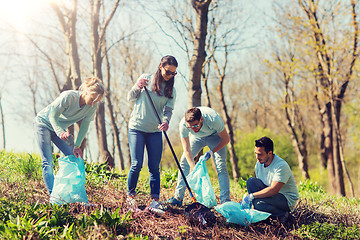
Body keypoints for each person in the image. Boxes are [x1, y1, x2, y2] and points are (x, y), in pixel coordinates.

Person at [35, 77, 105, 195]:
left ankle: (70, 194)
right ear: (86, 91)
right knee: (48, 161)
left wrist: (77, 145)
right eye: (93, 99)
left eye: (97, 101)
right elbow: (52, 115)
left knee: (73, 157)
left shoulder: (92, 107)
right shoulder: (69, 97)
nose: (94, 103)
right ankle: (54, 196)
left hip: (58, 129)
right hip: (43, 124)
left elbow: (84, 126)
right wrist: (60, 132)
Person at [126, 55, 178, 209]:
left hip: (155, 131)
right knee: (136, 163)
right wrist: (137, 86)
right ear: (160, 66)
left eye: (173, 73)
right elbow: (130, 97)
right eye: (168, 71)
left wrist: (166, 122)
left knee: (154, 167)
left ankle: (155, 199)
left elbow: (168, 111)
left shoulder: (171, 90)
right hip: (137, 128)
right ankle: (130, 196)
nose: (170, 76)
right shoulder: (146, 79)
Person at [168, 106, 231, 206]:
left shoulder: (213, 119)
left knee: (221, 165)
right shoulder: (183, 125)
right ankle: (178, 197)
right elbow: (187, 149)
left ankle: (225, 201)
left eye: (196, 126)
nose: (193, 129)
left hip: (215, 137)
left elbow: (226, 139)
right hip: (197, 138)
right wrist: (193, 168)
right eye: (190, 127)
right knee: (184, 161)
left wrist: (211, 152)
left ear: (201, 119)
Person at [240, 136, 299, 223]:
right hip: (271, 194)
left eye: (260, 154)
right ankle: (265, 216)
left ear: (270, 153)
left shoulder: (281, 166)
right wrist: (247, 196)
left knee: (258, 204)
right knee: (251, 181)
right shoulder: (259, 163)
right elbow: (258, 185)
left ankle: (283, 215)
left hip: (285, 199)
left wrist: (252, 196)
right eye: (256, 153)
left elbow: (273, 190)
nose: (257, 157)